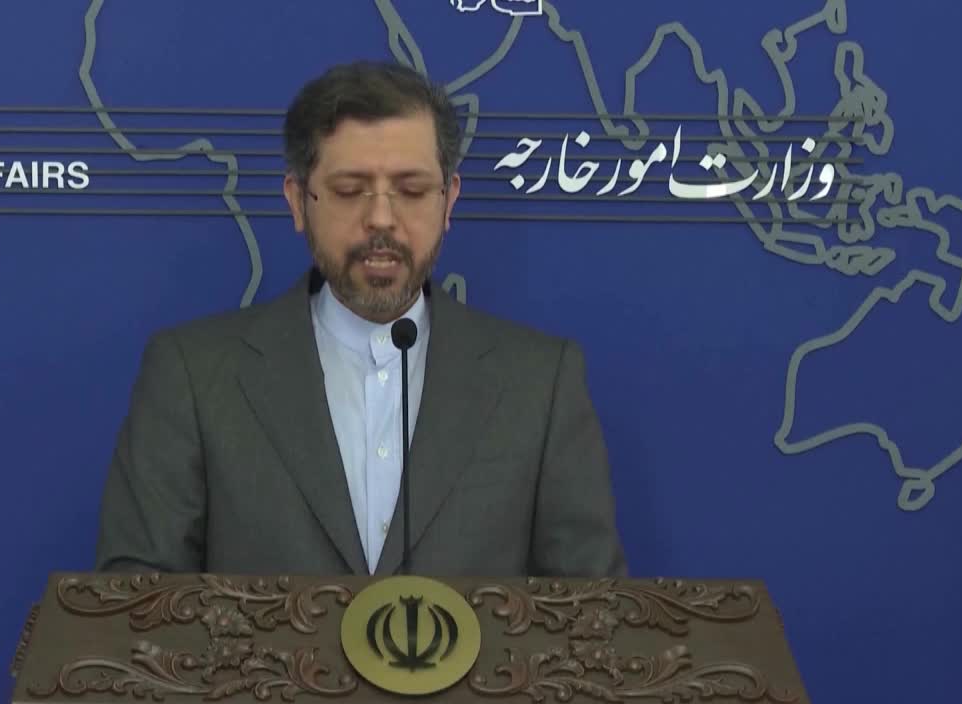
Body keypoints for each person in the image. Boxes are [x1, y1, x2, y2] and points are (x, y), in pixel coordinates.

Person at [94, 60, 626, 578]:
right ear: (298, 201)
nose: (381, 219)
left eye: (412, 191)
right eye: (350, 191)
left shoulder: (541, 385)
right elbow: (134, 605)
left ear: (448, 202)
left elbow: (593, 612)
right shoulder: (192, 377)